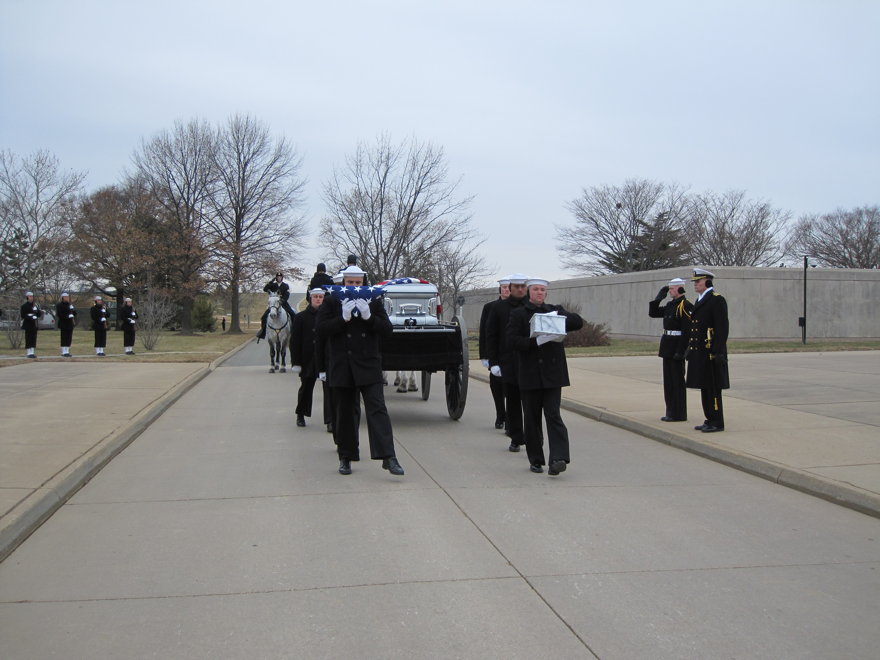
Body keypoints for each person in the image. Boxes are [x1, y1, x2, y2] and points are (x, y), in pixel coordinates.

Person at [316, 265, 403, 476]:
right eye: (350, 283)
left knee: (377, 410)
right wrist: (342, 319)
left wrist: (369, 317)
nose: (354, 287)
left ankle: (388, 457)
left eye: (358, 283)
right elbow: (321, 329)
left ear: (363, 282)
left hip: (368, 363)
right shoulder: (332, 300)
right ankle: (346, 457)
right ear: (343, 283)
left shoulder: (373, 301)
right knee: (345, 413)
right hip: (342, 364)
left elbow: (387, 330)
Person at [508, 278, 584, 475]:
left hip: (552, 373)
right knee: (532, 419)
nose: (540, 293)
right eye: (536, 289)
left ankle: (558, 458)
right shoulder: (518, 314)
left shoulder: (555, 309)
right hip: (530, 374)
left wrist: (558, 316)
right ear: (528, 292)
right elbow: (513, 341)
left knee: (553, 415)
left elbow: (577, 322)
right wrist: (536, 342)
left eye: (542, 290)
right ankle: (536, 459)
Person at [484, 273, 529, 452]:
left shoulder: (531, 307)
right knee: (513, 402)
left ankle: (534, 437)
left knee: (530, 404)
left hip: (528, 361)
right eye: (516, 286)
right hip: (508, 361)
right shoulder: (498, 308)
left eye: (522, 286)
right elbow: (491, 335)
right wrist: (493, 361)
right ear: (509, 289)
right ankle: (515, 436)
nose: (519, 289)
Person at [686, 268, 730, 433]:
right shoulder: (700, 300)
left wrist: (718, 351)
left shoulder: (716, 300)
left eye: (698, 281)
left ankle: (717, 421)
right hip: (700, 352)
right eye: (695, 282)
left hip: (711, 352)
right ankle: (709, 418)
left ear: (707, 281)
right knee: (704, 386)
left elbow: (722, 328)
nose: (695, 284)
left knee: (712, 387)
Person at [648, 277, 693, 422]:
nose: (670, 292)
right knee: (668, 382)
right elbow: (653, 313)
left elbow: (687, 331)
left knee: (677, 382)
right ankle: (671, 411)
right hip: (667, 346)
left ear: (680, 289)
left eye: (672, 289)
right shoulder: (670, 305)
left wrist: (681, 351)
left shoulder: (685, 306)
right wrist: (657, 299)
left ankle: (679, 413)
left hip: (676, 348)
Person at [291, 288, 329, 427]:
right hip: (307, 359)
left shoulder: (328, 317)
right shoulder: (301, 317)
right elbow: (294, 342)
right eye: (315, 297)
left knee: (329, 391)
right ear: (310, 298)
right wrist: (296, 362)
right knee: (306, 388)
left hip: (324, 359)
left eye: (320, 297)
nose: (318, 299)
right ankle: (300, 415)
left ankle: (330, 420)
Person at [479, 278, 510, 430]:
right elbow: (484, 332)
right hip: (495, 352)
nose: (506, 290)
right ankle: (500, 414)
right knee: (496, 386)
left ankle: (510, 418)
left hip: (511, 352)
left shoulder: (517, 307)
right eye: (504, 287)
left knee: (510, 387)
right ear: (500, 289)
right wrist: (484, 355)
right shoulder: (489, 307)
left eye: (508, 287)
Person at [257, 272, 295, 340]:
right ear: (276, 278)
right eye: (277, 277)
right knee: (264, 317)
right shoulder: (273, 285)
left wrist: (283, 300)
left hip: (283, 303)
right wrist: (271, 282)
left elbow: (287, 294)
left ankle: (293, 331)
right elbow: (265, 289)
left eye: (280, 277)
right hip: (273, 304)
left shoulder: (286, 285)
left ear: (282, 278)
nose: (279, 278)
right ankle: (263, 332)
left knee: (293, 314)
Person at [56, 292, 77, 357]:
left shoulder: (69, 305)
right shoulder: (59, 305)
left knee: (69, 337)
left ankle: (67, 351)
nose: (67, 298)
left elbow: (75, 313)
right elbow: (60, 314)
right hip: (63, 323)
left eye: (67, 297)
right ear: (62, 298)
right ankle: (63, 351)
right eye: (65, 297)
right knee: (64, 337)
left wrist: (72, 311)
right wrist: (67, 316)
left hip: (69, 323)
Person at [20, 291, 41, 359]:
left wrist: (38, 310)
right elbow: (23, 315)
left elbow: (39, 314)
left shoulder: (35, 305)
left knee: (33, 338)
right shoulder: (24, 306)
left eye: (32, 296)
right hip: (28, 324)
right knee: (28, 338)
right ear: (27, 297)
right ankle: (29, 352)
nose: (31, 298)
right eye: (29, 296)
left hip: (34, 324)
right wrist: (30, 316)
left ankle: (32, 352)